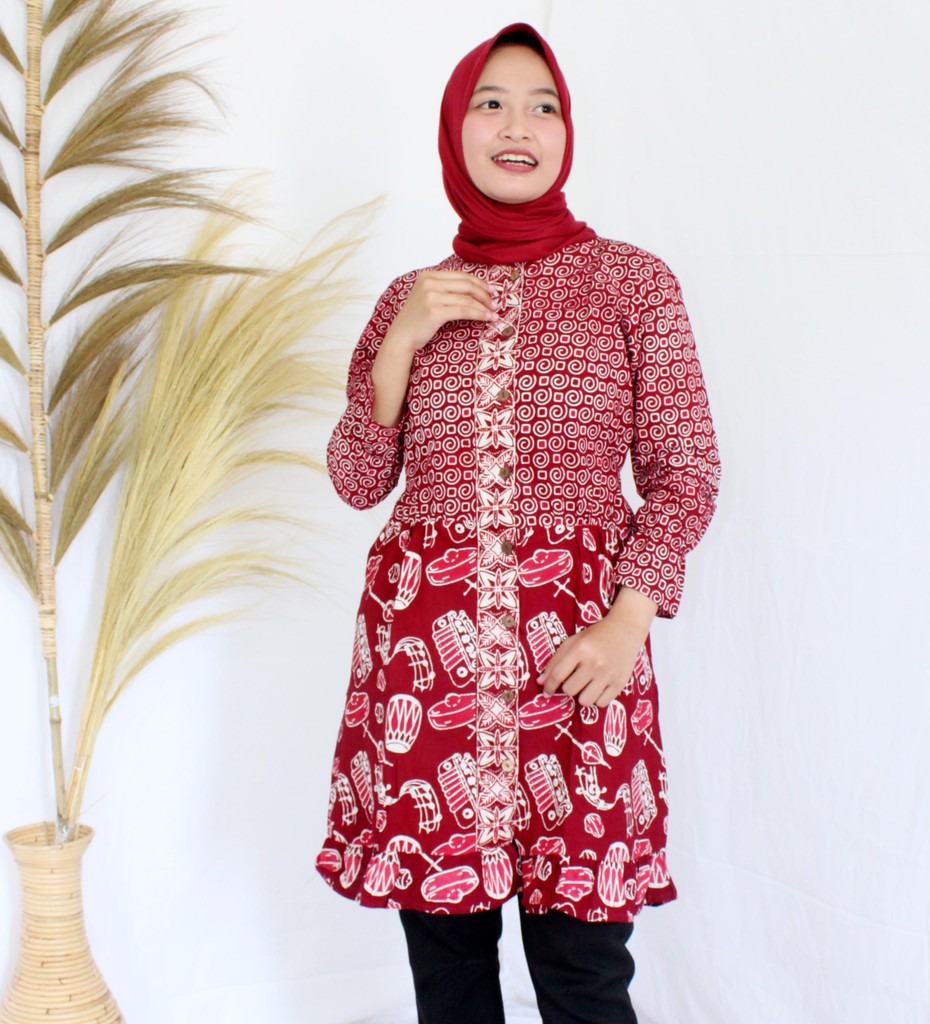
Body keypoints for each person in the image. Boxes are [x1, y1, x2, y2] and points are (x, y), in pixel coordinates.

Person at [315, 22, 721, 1024]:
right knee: (450, 978)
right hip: (426, 674)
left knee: (584, 976)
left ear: (567, 132)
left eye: (543, 107)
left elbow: (685, 473)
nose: (518, 126)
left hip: (578, 664)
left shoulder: (631, 283)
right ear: (455, 130)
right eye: (490, 104)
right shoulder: (408, 298)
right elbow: (357, 479)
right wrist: (400, 344)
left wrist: (628, 620)